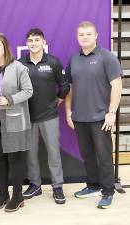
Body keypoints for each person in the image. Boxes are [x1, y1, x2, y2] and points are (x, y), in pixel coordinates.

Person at [65, 21, 123, 209]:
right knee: (88, 155)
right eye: (81, 34)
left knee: (104, 156)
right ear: (77, 37)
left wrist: (111, 113)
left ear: (96, 35)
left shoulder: (107, 57)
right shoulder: (74, 59)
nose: (85, 37)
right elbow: (70, 88)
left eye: (88, 34)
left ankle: (107, 191)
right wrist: (68, 112)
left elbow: (117, 85)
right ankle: (93, 186)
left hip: (101, 118)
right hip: (80, 117)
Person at [0, 33, 33, 212]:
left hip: (13, 120)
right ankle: (3, 194)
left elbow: (28, 91)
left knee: (15, 159)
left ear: (5, 47)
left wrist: (9, 99)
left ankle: (17, 196)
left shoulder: (17, 67)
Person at [19, 28, 69, 204]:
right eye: (30, 40)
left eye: (37, 40)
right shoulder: (20, 64)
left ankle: (57, 186)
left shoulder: (53, 62)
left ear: (43, 42)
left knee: (53, 153)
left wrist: (57, 102)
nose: (33, 43)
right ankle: (35, 184)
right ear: (27, 43)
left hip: (49, 116)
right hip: (27, 116)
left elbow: (64, 86)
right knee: (31, 154)